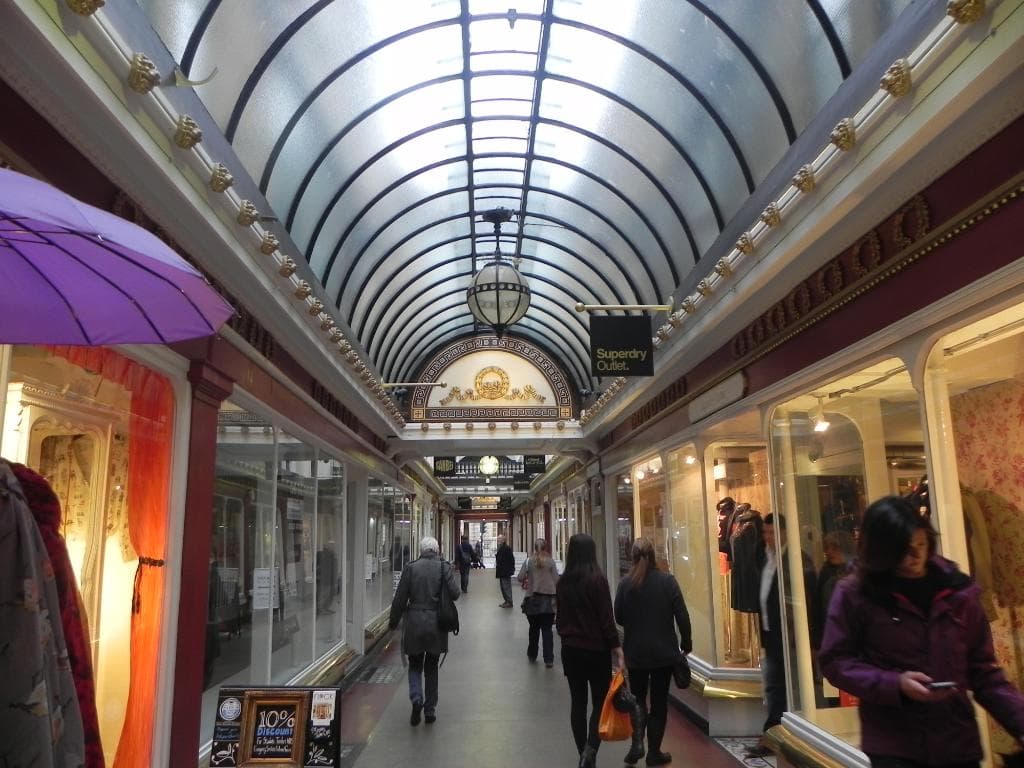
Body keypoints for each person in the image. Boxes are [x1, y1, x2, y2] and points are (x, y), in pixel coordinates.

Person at [819, 495, 1024, 768]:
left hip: (957, 743)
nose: (916, 556)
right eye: (904, 549)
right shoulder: (855, 593)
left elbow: (984, 672)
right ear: (882, 551)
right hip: (895, 747)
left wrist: (1019, 720)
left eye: (921, 544)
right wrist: (896, 684)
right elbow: (836, 661)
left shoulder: (958, 592)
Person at [614, 538, 692, 766]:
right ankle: (654, 751)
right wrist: (687, 642)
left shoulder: (625, 584)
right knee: (659, 703)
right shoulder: (668, 582)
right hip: (663, 654)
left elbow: (618, 616)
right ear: (654, 556)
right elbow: (682, 615)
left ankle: (636, 744)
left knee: (637, 700)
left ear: (632, 557)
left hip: (636, 653)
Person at [746, 512, 817, 759]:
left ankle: (774, 739)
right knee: (776, 688)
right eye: (765, 533)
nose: (767, 538)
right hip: (772, 635)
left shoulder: (797, 561)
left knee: (783, 690)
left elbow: (805, 602)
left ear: (785, 533)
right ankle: (775, 738)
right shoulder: (767, 558)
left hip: (790, 638)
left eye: (771, 533)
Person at [556, 533, 624, 768]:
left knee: (577, 702)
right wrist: (616, 647)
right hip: (596, 651)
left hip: (571, 650)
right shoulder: (597, 580)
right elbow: (606, 619)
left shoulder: (563, 582)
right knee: (599, 702)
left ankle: (582, 753)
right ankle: (590, 750)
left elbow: (560, 619)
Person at [388, 535, 461, 727]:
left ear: (421, 550)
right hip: (437, 623)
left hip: (414, 622)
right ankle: (430, 710)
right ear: (437, 550)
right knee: (431, 667)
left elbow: (400, 598)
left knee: (414, 664)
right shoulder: (443, 567)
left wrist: (393, 623)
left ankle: (416, 698)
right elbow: (455, 593)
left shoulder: (411, 568)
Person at [518, 537, 560, 665]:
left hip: (532, 600)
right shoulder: (551, 562)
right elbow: (557, 580)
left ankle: (532, 654)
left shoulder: (528, 561)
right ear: (546, 547)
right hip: (548, 601)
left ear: (534, 548)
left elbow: (520, 577)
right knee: (547, 630)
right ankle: (549, 659)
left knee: (533, 629)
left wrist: (529, 579)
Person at [495, 534, 516, 607]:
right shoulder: (501, 548)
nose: (498, 540)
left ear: (503, 540)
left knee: (506, 587)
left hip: (505, 571)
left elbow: (511, 559)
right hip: (502, 571)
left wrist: (511, 569)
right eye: (498, 539)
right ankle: (506, 601)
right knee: (503, 587)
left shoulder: (506, 548)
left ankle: (509, 602)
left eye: (499, 539)